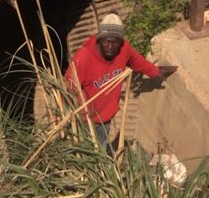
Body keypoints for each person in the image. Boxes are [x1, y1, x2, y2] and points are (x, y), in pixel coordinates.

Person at [65, 12, 175, 148]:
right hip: (86, 120)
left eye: (115, 42)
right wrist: (69, 117)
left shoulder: (123, 49)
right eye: (107, 41)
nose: (110, 46)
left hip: (105, 117)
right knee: (87, 150)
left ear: (120, 41)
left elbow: (136, 60)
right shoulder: (83, 58)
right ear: (99, 39)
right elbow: (68, 88)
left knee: (101, 147)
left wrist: (157, 72)